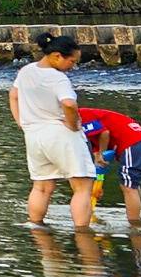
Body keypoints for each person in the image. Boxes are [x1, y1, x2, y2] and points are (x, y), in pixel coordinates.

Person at [13, 33, 99, 232]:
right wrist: (72, 124)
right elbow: (69, 103)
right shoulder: (57, 77)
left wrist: (21, 122)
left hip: (34, 135)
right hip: (60, 134)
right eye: (72, 61)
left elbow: (13, 95)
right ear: (57, 56)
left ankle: (36, 228)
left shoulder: (26, 71)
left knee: (41, 187)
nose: (73, 66)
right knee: (82, 186)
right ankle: (82, 233)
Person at [80, 102, 141, 227]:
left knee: (128, 187)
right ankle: (138, 222)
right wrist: (98, 185)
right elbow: (100, 161)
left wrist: (101, 153)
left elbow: (104, 133)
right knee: (132, 184)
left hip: (133, 144)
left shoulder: (80, 116)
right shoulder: (89, 122)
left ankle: (135, 226)